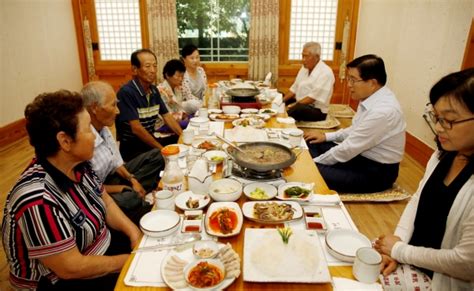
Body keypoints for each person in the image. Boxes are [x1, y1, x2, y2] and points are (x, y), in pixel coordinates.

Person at [1, 90, 142, 290]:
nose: (95, 137)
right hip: (61, 280)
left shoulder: (79, 164)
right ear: (65, 141)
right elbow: (71, 268)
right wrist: (128, 262)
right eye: (88, 130)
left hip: (99, 248)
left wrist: (133, 232)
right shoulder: (37, 199)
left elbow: (106, 202)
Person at [374, 68, 474, 291]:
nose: (438, 127)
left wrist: (400, 250)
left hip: (442, 280)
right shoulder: (442, 155)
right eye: (436, 117)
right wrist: (396, 245)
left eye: (449, 120)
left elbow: (466, 264)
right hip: (410, 258)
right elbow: (418, 199)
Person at [304, 54, 406, 193]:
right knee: (311, 143)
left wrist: (313, 164)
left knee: (309, 172)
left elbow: (348, 149)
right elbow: (354, 130)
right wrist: (325, 137)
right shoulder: (369, 97)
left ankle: (312, 165)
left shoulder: (383, 111)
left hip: (375, 173)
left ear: (372, 83)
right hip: (359, 158)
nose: (349, 84)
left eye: (353, 80)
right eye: (348, 79)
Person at [81, 81, 163, 220]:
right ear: (94, 108)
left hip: (112, 178)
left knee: (157, 155)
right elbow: (88, 188)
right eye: (113, 105)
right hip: (97, 192)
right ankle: (139, 200)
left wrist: (132, 180)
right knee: (129, 198)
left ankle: (139, 193)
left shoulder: (104, 128)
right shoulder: (83, 140)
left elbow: (117, 163)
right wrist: (122, 188)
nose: (118, 111)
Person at [116, 48, 183, 161]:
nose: (152, 70)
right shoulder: (126, 92)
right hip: (133, 150)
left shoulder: (154, 90)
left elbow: (167, 116)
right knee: (167, 158)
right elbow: (137, 129)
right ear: (135, 70)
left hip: (149, 142)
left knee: (179, 140)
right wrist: (162, 150)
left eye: (155, 66)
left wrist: (183, 136)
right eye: (147, 66)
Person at [283, 42, 335, 121]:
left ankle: (282, 118)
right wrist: (281, 101)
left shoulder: (326, 72)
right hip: (300, 102)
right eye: (302, 56)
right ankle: (281, 112)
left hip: (316, 110)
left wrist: (293, 106)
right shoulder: (304, 67)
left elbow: (312, 98)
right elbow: (294, 88)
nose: (303, 60)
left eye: (306, 56)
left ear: (317, 57)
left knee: (299, 109)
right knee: (280, 95)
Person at [157, 59, 194, 130]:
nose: (181, 79)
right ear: (167, 75)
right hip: (164, 124)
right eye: (178, 76)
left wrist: (184, 115)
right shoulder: (161, 91)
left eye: (182, 76)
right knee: (192, 123)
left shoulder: (177, 88)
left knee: (195, 117)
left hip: (178, 118)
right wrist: (184, 118)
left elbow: (180, 107)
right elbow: (167, 116)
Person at [181, 43, 207, 109]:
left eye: (197, 57)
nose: (195, 60)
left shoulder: (201, 70)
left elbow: (205, 90)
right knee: (192, 103)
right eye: (192, 58)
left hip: (202, 104)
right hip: (189, 104)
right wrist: (202, 104)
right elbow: (188, 96)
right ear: (184, 59)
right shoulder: (182, 74)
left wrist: (205, 101)